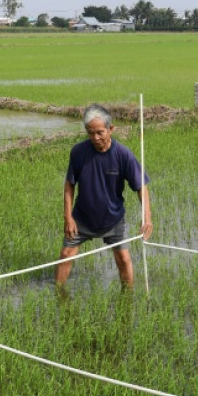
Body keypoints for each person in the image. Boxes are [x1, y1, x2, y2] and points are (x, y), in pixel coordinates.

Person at [55, 103, 153, 290]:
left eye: (100, 132)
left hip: (113, 219)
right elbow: (69, 184)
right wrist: (68, 217)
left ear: (111, 129)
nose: (95, 138)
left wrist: (147, 217)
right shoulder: (78, 152)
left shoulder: (123, 155)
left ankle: (128, 297)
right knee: (66, 255)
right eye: (90, 133)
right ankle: (58, 296)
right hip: (81, 219)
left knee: (123, 259)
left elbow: (141, 187)